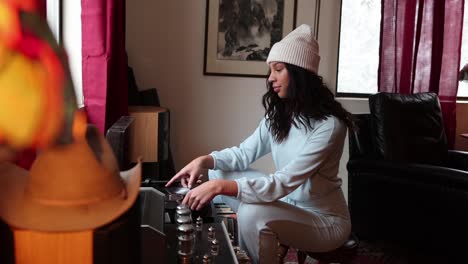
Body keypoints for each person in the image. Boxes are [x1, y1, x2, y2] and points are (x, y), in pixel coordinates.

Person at [166, 24, 354, 263]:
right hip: (288, 203)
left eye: (278, 69)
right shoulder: (280, 115)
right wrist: (202, 161)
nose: (270, 78)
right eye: (270, 70)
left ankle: (251, 243)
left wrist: (220, 187)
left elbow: (283, 182)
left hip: (325, 221)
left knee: (253, 212)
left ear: (299, 73)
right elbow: (243, 154)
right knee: (219, 169)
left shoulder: (329, 126)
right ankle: (244, 242)